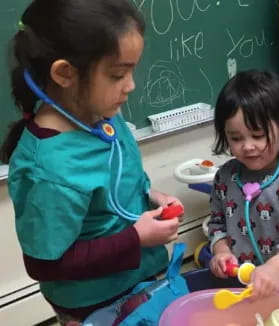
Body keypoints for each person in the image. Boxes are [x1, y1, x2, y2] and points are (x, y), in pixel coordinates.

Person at [0, 0, 182, 324]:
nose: (131, 86)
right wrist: (137, 238)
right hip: (97, 305)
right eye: (117, 74)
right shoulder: (49, 170)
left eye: (132, 71)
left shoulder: (101, 114)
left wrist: (152, 197)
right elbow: (45, 265)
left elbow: (114, 182)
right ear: (64, 73)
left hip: (140, 283)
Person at [208, 70, 279, 300]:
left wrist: (274, 269)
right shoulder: (225, 177)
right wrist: (221, 252)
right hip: (240, 290)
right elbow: (217, 224)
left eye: (258, 135)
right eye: (236, 138)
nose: (248, 146)